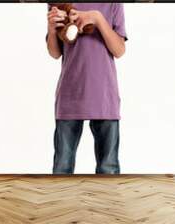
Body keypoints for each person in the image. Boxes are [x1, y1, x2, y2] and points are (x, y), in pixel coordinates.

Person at [46, 3, 127, 174]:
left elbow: (119, 50)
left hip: (104, 94)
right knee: (62, 166)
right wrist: (52, 28)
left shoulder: (113, 3)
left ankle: (107, 201)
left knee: (108, 167)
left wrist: (97, 18)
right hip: (70, 93)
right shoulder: (58, 2)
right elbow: (55, 53)